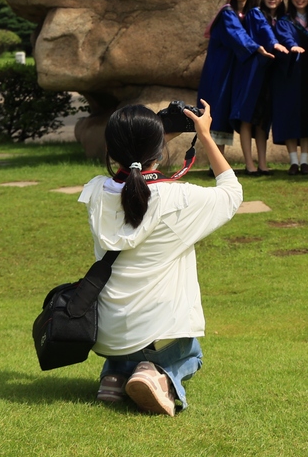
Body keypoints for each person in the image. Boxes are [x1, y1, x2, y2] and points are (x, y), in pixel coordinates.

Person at [78, 101, 240, 416]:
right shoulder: (179, 198)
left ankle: (113, 376)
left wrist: (151, 132)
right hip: (160, 332)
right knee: (190, 354)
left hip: (108, 333)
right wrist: (204, 135)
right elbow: (232, 193)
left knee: (126, 341)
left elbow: (133, 171)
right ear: (158, 148)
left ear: (111, 149)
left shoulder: (95, 193)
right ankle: (155, 375)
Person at [196, 0, 274, 160]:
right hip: (220, 69)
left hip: (235, 70)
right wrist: (257, 48)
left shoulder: (251, 13)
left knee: (224, 112)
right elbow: (236, 34)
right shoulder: (227, 13)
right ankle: (214, 162)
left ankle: (219, 161)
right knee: (218, 110)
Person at [233, 0, 288, 175]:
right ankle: (249, 164)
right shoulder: (255, 14)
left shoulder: (284, 19)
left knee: (263, 120)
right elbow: (263, 33)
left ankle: (263, 164)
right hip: (252, 73)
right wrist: (274, 44)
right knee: (247, 118)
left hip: (270, 75)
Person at [271, 0, 308, 175]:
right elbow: (285, 37)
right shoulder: (284, 20)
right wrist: (293, 46)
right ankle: (293, 161)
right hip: (288, 74)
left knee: (307, 115)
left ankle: (305, 161)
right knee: (289, 114)